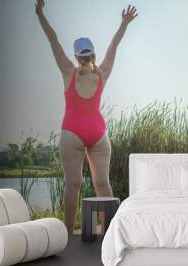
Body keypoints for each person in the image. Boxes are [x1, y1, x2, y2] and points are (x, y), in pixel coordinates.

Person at [35, 0, 137, 234]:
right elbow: (114, 44)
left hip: (72, 133)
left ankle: (67, 237)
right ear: (93, 53)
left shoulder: (68, 72)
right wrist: (124, 23)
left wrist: (40, 14)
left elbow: (53, 40)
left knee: (72, 186)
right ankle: (110, 235)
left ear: (75, 54)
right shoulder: (103, 73)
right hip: (98, 134)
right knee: (103, 185)